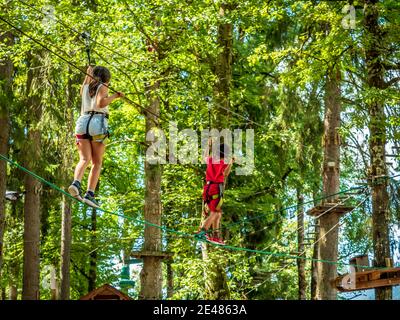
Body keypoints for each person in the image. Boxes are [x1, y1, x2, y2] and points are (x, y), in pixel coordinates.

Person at [68, 66, 124, 208]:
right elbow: (100, 103)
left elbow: (86, 81)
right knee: (97, 162)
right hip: (97, 123)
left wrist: (88, 72)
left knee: (84, 159)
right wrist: (115, 96)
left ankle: (76, 183)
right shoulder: (103, 86)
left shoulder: (85, 87)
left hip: (82, 122)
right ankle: (90, 194)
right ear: (106, 78)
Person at [195, 138, 234, 245]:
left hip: (207, 189)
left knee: (218, 214)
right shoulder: (222, 162)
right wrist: (231, 163)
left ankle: (215, 236)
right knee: (215, 212)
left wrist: (208, 145)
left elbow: (204, 157)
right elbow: (225, 174)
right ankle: (202, 231)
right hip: (215, 188)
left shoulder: (212, 159)